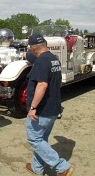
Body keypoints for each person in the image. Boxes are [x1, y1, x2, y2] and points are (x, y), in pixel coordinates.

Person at [25, 34, 74, 175]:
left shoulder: (41, 61)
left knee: (34, 139)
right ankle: (37, 168)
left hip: (42, 110)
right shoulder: (54, 59)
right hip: (53, 106)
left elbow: (42, 85)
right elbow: (56, 82)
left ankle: (62, 167)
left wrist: (33, 107)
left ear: (33, 48)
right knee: (42, 140)